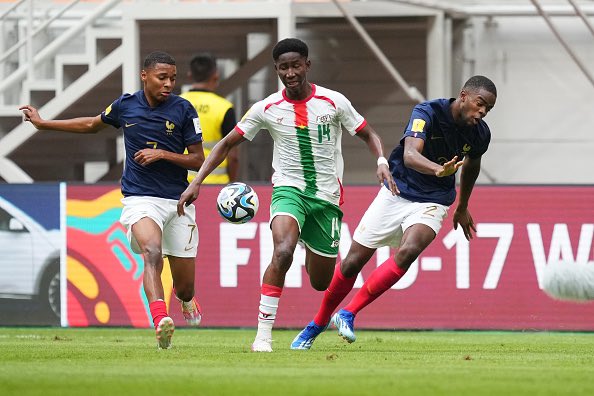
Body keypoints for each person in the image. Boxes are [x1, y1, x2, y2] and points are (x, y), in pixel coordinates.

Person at [177, 38, 397, 352]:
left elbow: (368, 133)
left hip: (326, 198)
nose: (290, 72)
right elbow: (225, 144)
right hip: (288, 190)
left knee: (320, 281)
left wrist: (380, 161)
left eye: (296, 65)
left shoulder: (334, 102)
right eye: (283, 67)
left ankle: (309, 240)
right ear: (277, 69)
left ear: (307, 65)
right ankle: (263, 336)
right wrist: (197, 182)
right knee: (282, 251)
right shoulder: (266, 108)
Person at [291, 75, 497, 350]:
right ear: (463, 95)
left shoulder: (480, 133)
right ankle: (316, 324)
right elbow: (411, 155)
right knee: (352, 263)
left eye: (488, 109)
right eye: (480, 104)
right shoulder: (427, 112)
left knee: (410, 249)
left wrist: (462, 206)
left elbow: (472, 165)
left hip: (434, 200)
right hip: (396, 192)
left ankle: (348, 313)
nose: (482, 112)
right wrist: (438, 169)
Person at [20, 51, 205, 350]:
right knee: (152, 252)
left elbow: (199, 160)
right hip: (140, 198)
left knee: (185, 287)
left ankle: (185, 300)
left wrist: (162, 154)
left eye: (173, 78)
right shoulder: (126, 105)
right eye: (162, 77)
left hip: (178, 202)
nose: (169, 83)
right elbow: (91, 124)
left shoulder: (184, 109)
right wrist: (44, 124)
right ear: (144, 76)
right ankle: (160, 321)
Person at [181, 52, 238, 184]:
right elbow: (233, 156)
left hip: (184, 183)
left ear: (189, 75)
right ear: (216, 75)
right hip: (216, 184)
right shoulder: (225, 107)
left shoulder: (177, 104)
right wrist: (231, 183)